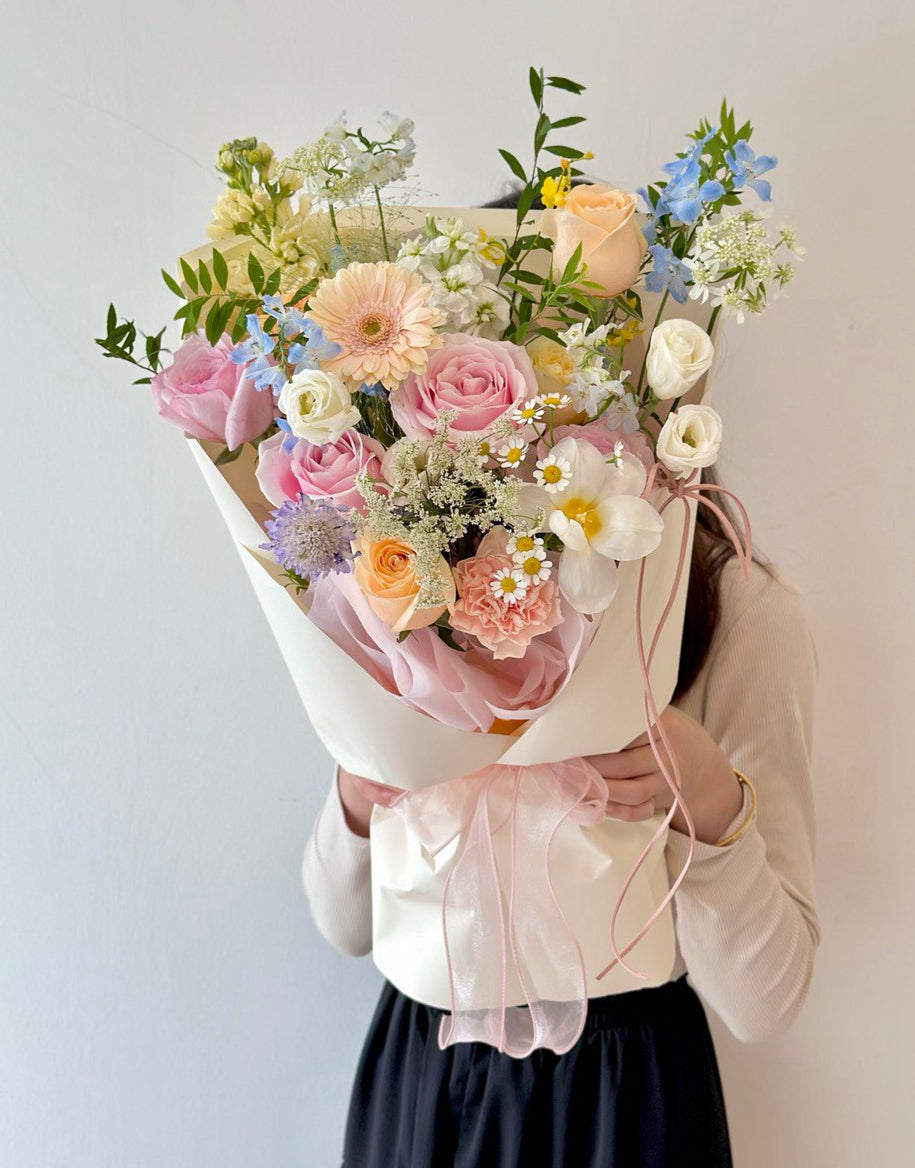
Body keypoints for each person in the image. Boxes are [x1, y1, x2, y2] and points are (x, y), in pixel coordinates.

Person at [301, 192, 820, 1167]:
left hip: (627, 1102)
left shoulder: (732, 612)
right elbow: (344, 925)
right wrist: (358, 797)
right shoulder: (398, 579)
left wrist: (711, 803)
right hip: (425, 1081)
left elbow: (768, 997)